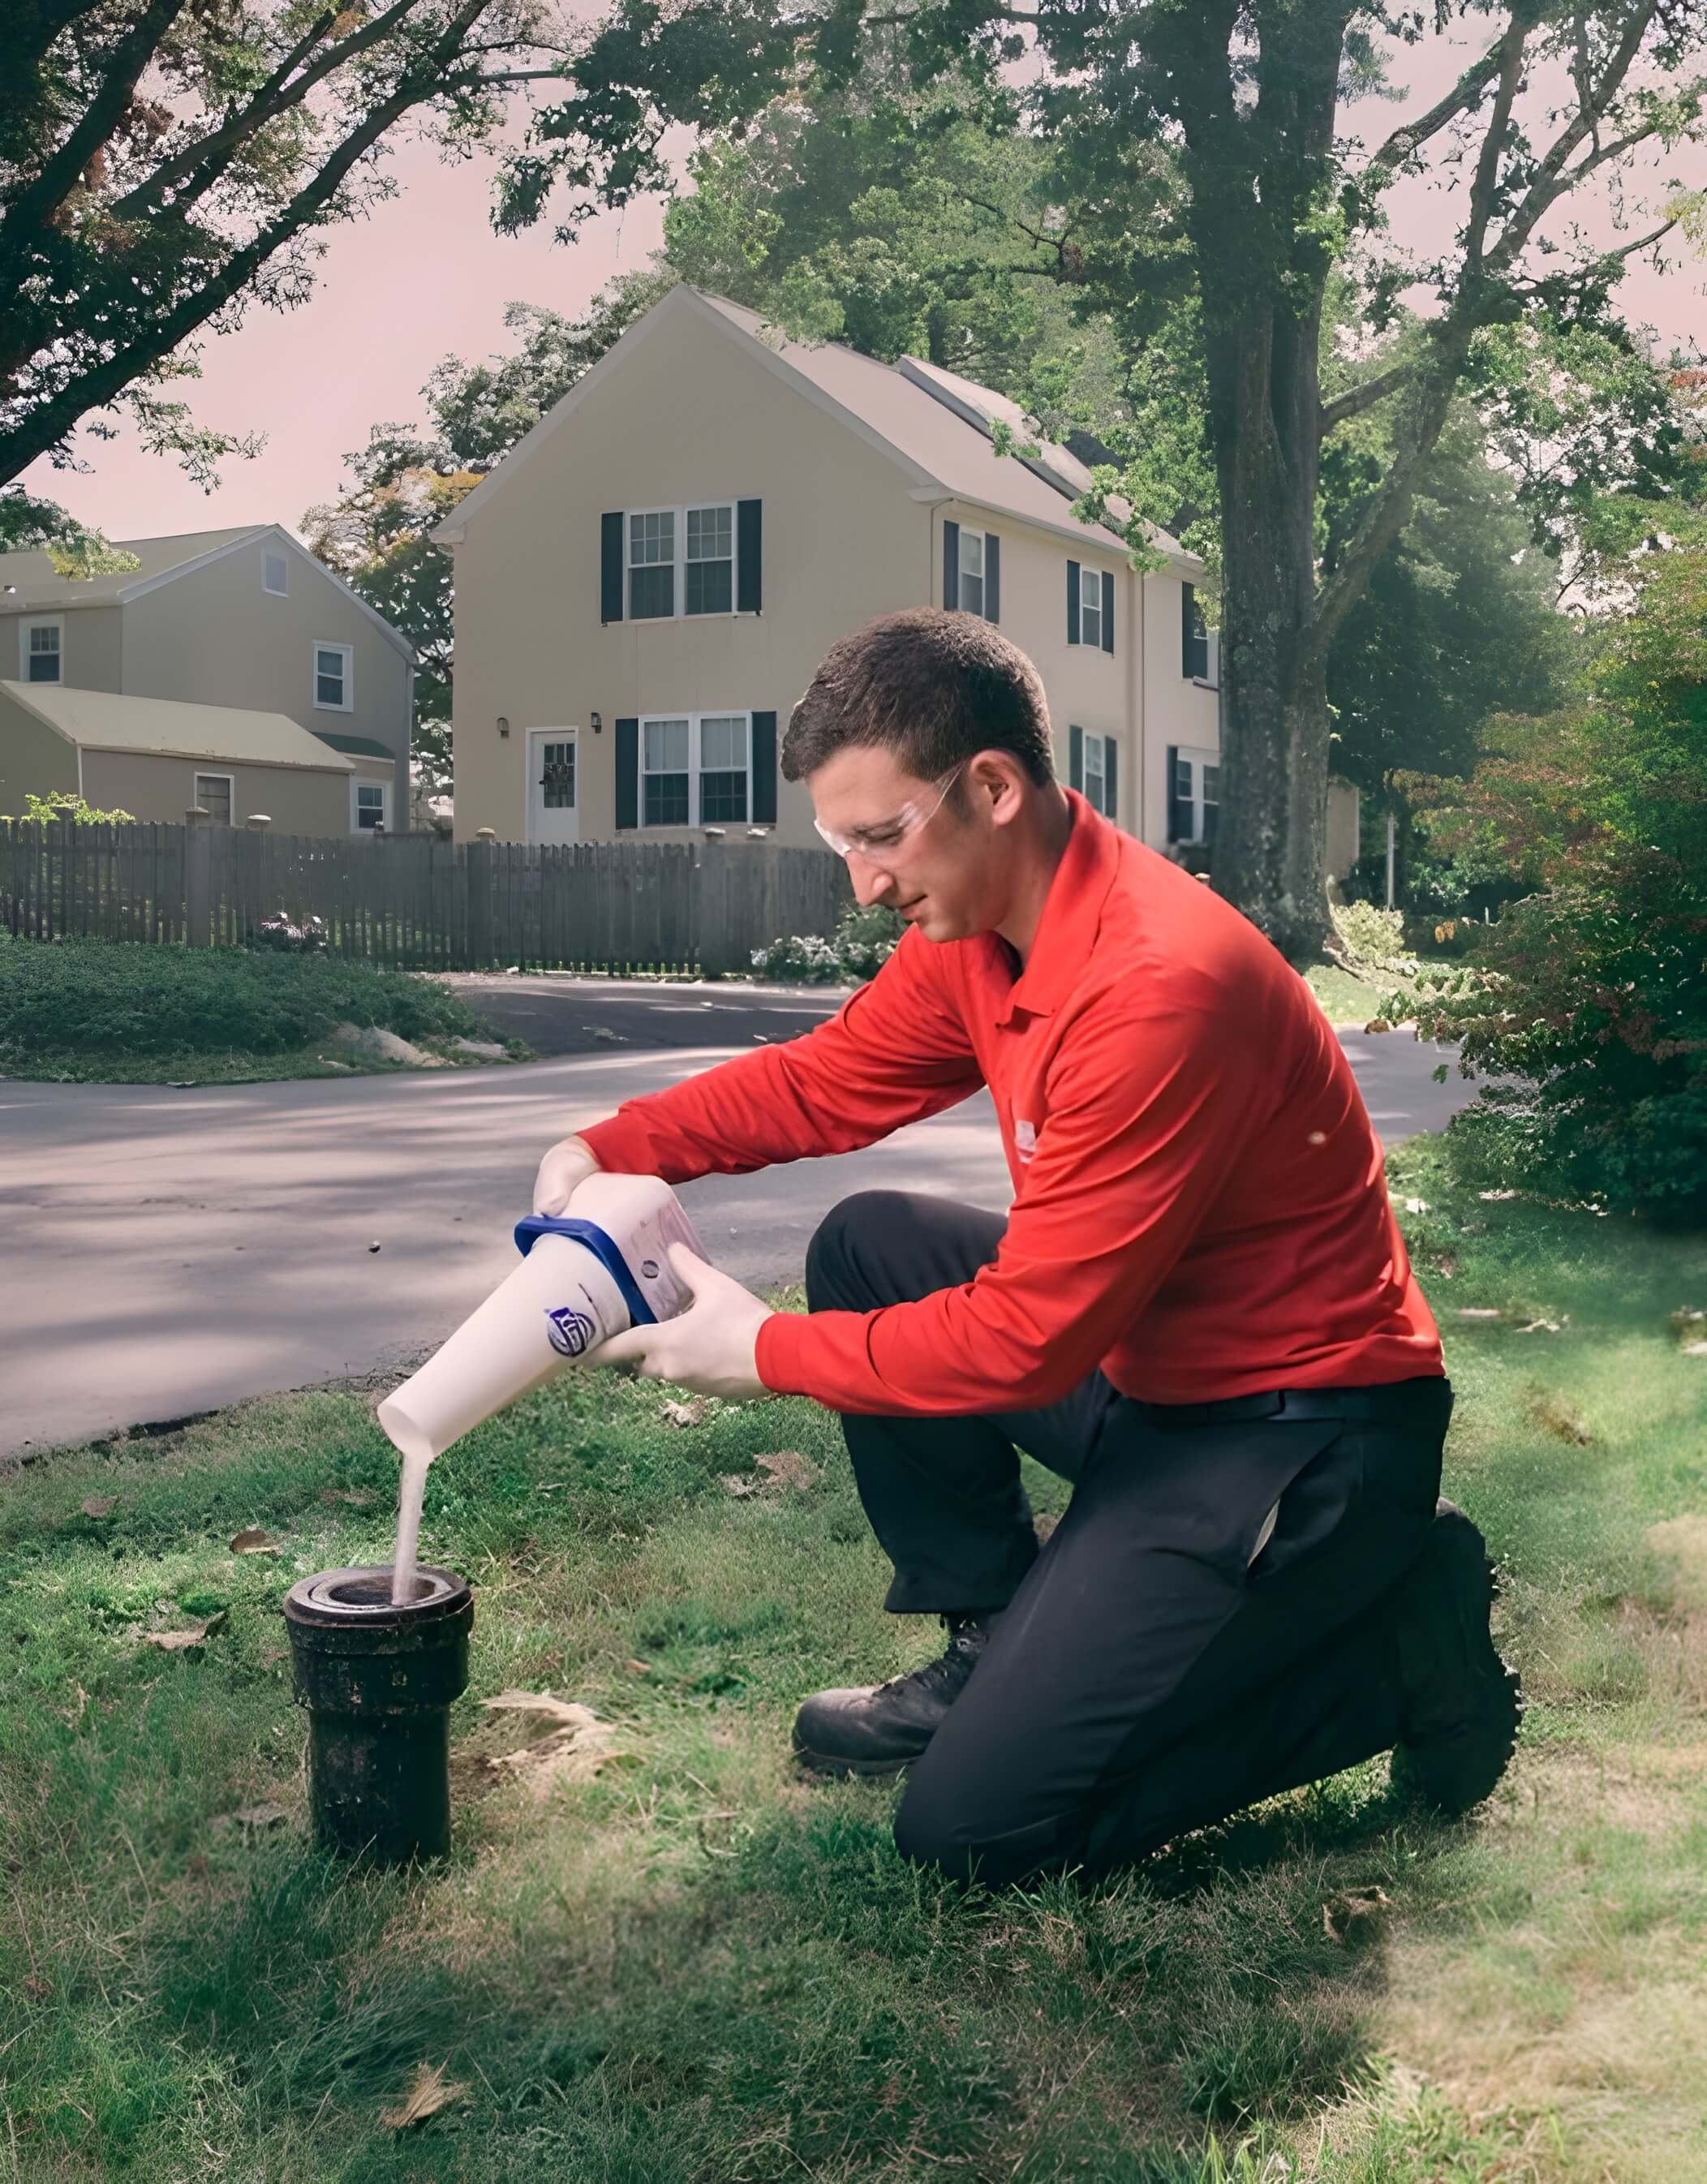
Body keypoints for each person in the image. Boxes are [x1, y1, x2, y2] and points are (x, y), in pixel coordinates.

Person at [534, 607, 1521, 1888]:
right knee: (873, 1244)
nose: (865, 883)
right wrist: (615, 1143)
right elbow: (827, 1083)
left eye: (882, 837)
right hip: (1155, 1378)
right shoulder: (985, 930)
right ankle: (996, 1637)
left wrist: (762, 1351)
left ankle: (1400, 1652)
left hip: (1301, 1436)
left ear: (992, 787)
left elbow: (1026, 1337)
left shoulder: (1161, 986)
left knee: (977, 1835)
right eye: (844, 841)